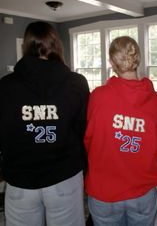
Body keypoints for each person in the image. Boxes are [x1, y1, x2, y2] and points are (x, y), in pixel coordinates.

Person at [0, 21, 90, 226]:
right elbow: (83, 129)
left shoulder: (5, 86)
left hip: (21, 178)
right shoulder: (76, 83)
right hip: (64, 177)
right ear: (56, 45)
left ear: (26, 46)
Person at [84, 36, 157, 226]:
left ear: (112, 62)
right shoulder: (156, 101)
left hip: (104, 191)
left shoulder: (98, 96)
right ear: (137, 60)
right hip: (142, 191)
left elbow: (89, 139)